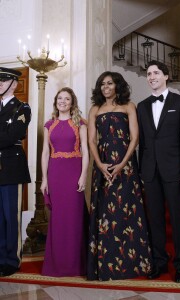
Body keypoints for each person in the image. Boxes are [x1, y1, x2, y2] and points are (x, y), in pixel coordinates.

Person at [87, 71, 152, 281]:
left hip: (126, 166)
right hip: (103, 164)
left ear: (118, 86)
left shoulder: (128, 106)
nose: (106, 87)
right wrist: (99, 164)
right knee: (106, 213)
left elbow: (135, 138)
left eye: (110, 83)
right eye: (102, 84)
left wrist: (123, 163)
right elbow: (91, 141)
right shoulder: (95, 109)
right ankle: (106, 266)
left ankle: (132, 265)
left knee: (127, 211)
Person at [137, 60, 180, 283]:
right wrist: (140, 170)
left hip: (174, 168)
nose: (152, 77)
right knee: (155, 220)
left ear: (166, 76)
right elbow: (142, 141)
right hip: (149, 170)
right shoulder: (141, 105)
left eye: (156, 73)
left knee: (177, 219)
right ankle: (158, 262)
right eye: (149, 74)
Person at [40, 87, 88, 277]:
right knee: (58, 219)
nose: (63, 101)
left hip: (73, 172)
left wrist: (83, 175)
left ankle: (75, 265)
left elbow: (85, 151)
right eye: (60, 98)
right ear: (56, 101)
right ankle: (57, 265)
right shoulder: (48, 124)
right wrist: (44, 179)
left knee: (73, 218)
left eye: (67, 99)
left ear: (72, 102)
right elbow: (45, 153)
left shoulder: (80, 123)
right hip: (55, 174)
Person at [0, 67, 31, 277]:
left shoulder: (22, 107)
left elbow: (13, 135)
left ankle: (12, 260)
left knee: (12, 217)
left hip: (11, 168)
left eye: (2, 81)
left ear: (14, 83)